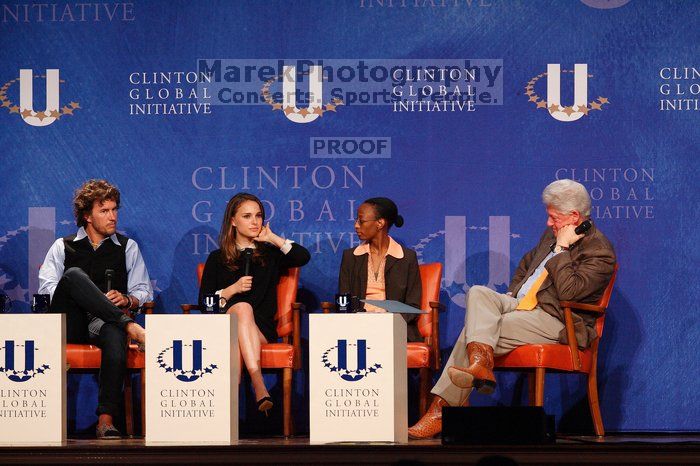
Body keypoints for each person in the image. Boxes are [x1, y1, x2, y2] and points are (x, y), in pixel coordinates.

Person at [408, 179, 616, 439]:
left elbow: (570, 293)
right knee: (478, 293)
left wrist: (562, 250)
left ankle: (442, 407)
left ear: (574, 217)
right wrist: (514, 293)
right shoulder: (550, 235)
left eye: (554, 217)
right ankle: (479, 364)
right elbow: (528, 265)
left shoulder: (599, 251)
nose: (548, 223)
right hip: (521, 305)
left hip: (556, 319)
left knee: (476, 330)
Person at [38, 179, 152, 439]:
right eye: (105, 211)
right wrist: (88, 296)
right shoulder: (62, 246)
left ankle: (105, 419)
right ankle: (131, 326)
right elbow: (47, 291)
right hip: (70, 322)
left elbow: (143, 292)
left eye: (115, 210)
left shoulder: (127, 247)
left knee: (114, 333)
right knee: (74, 276)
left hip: (105, 323)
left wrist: (128, 300)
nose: (113, 217)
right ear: (87, 216)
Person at [198, 193, 310, 415]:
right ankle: (258, 382)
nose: (255, 221)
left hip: (261, 329)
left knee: (244, 309)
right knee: (241, 308)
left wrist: (273, 238)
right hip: (225, 331)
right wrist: (232, 289)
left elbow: (302, 257)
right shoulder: (217, 258)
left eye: (258, 216)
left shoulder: (270, 254)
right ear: (233, 221)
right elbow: (205, 304)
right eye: (247, 216)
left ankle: (232, 406)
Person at [338, 197, 423, 341]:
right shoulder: (350, 257)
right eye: (356, 221)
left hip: (395, 329)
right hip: (357, 328)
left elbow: (412, 305)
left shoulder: (407, 258)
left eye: (361, 221)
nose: (356, 226)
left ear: (380, 223)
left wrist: (387, 323)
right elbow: (343, 301)